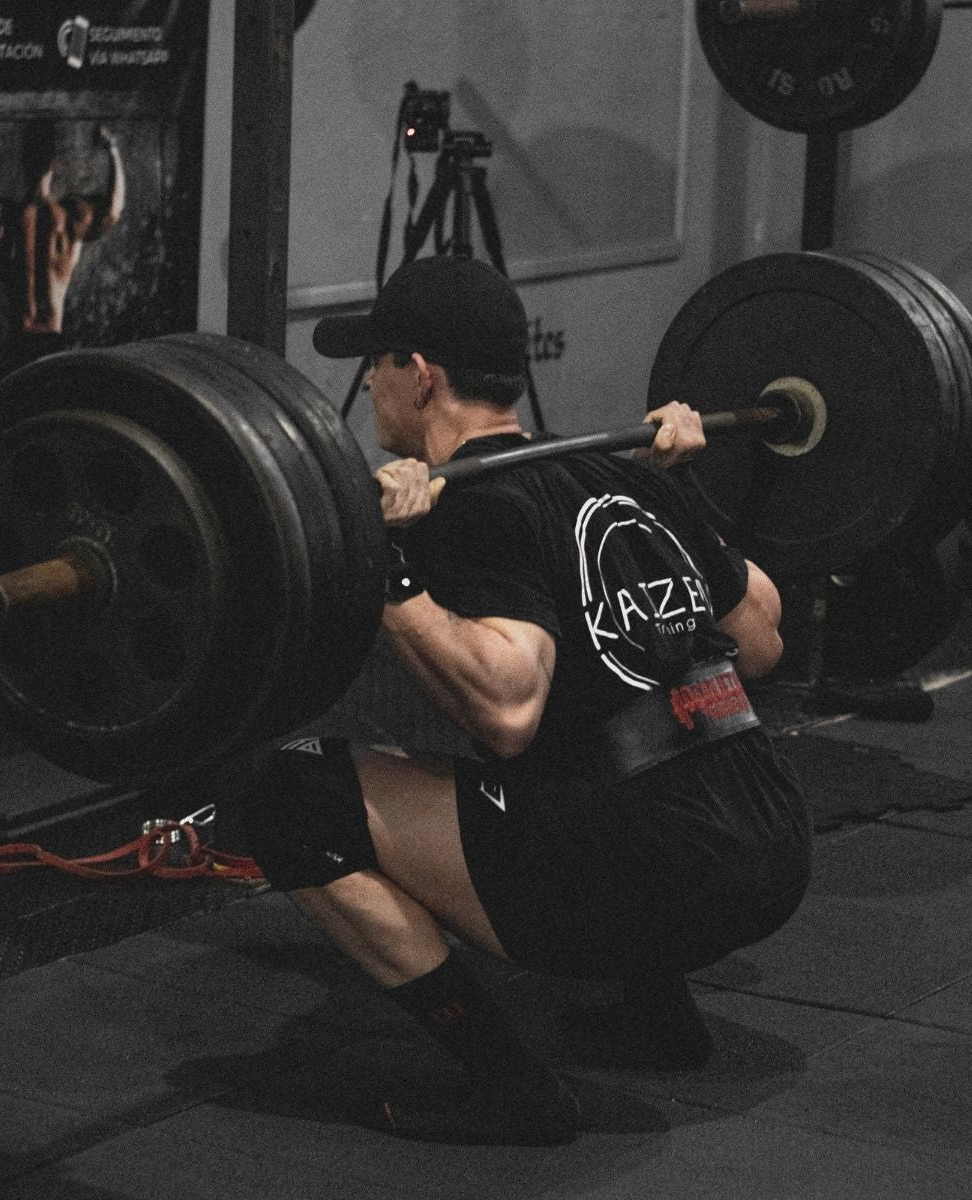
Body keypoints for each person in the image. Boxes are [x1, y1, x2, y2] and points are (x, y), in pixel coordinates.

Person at [239, 254, 812, 1146]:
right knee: (608, 727)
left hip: (657, 880)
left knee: (285, 796)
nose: (369, 387)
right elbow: (765, 641)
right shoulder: (627, 475)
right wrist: (684, 488)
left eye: (376, 365)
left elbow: (508, 713)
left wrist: (388, 567)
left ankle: (512, 1089)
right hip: (772, 844)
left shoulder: (476, 505)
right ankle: (659, 1017)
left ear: (419, 376)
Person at [0, 120, 126, 372]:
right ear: (54, 164)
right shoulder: (68, 218)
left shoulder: (4, 217)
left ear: (22, 163)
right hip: (53, 336)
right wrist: (112, 148)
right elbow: (113, 211)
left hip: (19, 338)